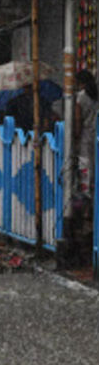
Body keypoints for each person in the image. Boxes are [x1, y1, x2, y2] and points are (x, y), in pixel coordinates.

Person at [73, 70, 98, 239]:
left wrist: (74, 138)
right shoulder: (96, 96)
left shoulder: (80, 97)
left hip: (85, 140)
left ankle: (87, 212)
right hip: (96, 136)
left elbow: (77, 121)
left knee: (85, 173)